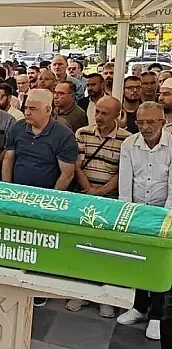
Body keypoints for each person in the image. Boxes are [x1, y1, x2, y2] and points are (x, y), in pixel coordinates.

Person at [2, 89, 78, 307]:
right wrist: (7, 190)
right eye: (26, 107)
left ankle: (39, 288)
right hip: (17, 196)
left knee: (41, 245)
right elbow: (8, 159)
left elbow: (67, 173)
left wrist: (50, 201)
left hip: (46, 200)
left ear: (48, 110)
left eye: (33, 109)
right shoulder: (18, 128)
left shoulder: (63, 134)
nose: (27, 112)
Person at [65, 96, 129, 318]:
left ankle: (104, 296)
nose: (99, 117)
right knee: (81, 246)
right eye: (97, 112)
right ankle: (81, 292)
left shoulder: (126, 139)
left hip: (110, 200)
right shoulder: (82, 133)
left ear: (117, 115)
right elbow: (77, 166)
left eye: (105, 113)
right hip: (84, 197)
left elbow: (122, 172)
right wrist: (89, 190)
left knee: (105, 249)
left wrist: (101, 192)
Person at [117, 101, 172, 341]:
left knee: (159, 263)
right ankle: (139, 307)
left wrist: (164, 221)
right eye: (141, 122)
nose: (145, 127)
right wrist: (128, 214)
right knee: (137, 258)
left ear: (163, 122)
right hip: (138, 210)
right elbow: (125, 184)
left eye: (151, 122)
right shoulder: (129, 144)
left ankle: (157, 315)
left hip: (164, 212)